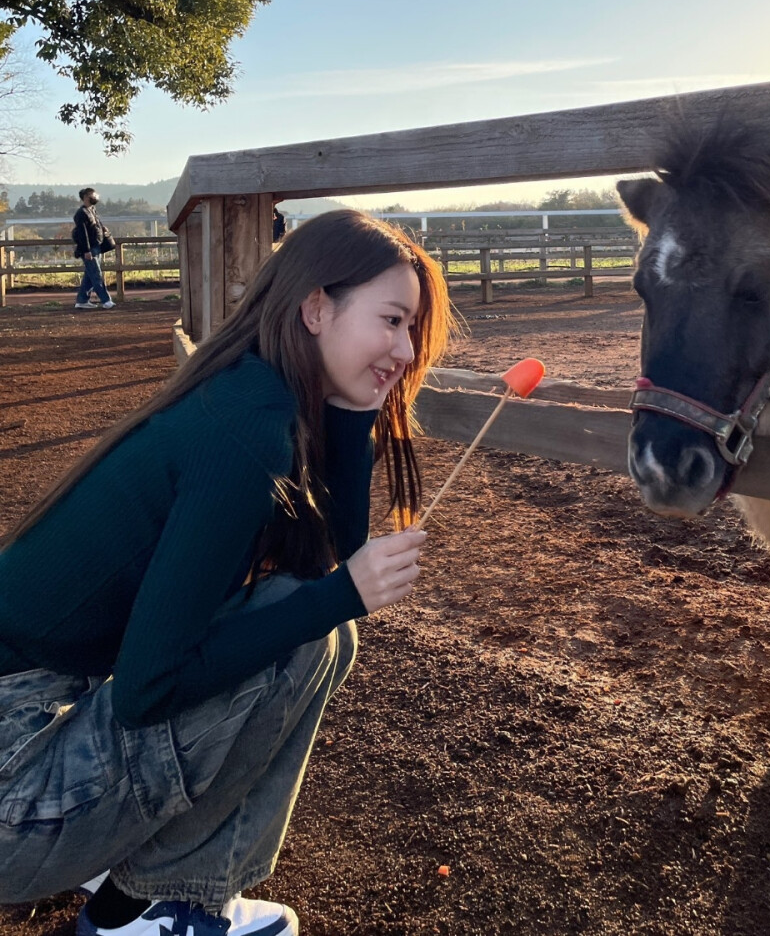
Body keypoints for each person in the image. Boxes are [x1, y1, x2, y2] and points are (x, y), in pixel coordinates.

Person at [0, 209, 453, 936]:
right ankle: (148, 904)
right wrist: (343, 596)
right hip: (13, 791)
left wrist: (351, 411)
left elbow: (324, 557)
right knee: (310, 633)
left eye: (411, 329)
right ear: (315, 308)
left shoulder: (248, 394)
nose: (405, 349)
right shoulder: (247, 435)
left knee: (304, 615)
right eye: (393, 320)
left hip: (29, 728)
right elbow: (147, 690)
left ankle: (139, 875)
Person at [72, 187, 115, 310]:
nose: (95, 197)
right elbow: (82, 234)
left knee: (90, 275)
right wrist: (86, 251)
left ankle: (82, 300)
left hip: (97, 246)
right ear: (86, 197)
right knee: (96, 274)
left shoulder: (92, 210)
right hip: (89, 249)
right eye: (92, 195)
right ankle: (106, 300)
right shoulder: (81, 214)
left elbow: (96, 225)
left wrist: (103, 229)